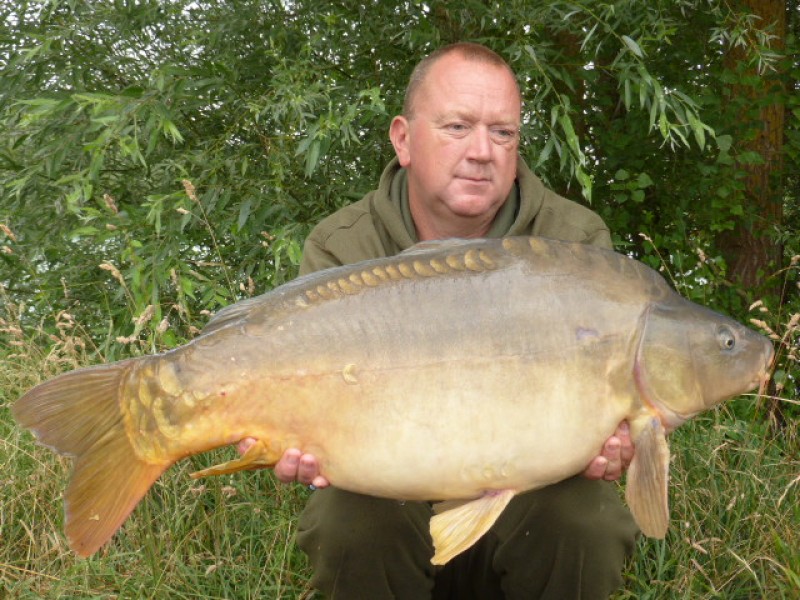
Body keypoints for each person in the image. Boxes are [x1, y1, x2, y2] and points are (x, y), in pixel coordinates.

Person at [243, 42, 638, 599]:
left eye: (503, 133)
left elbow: (608, 401)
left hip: (531, 495)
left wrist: (616, 437)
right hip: (388, 497)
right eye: (457, 126)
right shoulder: (344, 245)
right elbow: (302, 403)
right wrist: (292, 440)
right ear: (403, 138)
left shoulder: (573, 243)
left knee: (585, 522)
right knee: (351, 521)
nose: (483, 151)